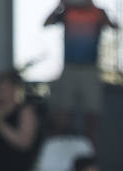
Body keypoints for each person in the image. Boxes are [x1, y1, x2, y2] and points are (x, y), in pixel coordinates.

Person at [44, 0, 117, 141]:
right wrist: (60, 6)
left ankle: (90, 149)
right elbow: (46, 23)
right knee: (63, 110)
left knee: (92, 114)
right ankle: (61, 144)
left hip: (90, 69)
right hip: (69, 68)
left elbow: (114, 26)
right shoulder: (67, 11)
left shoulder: (98, 12)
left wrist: (97, 12)